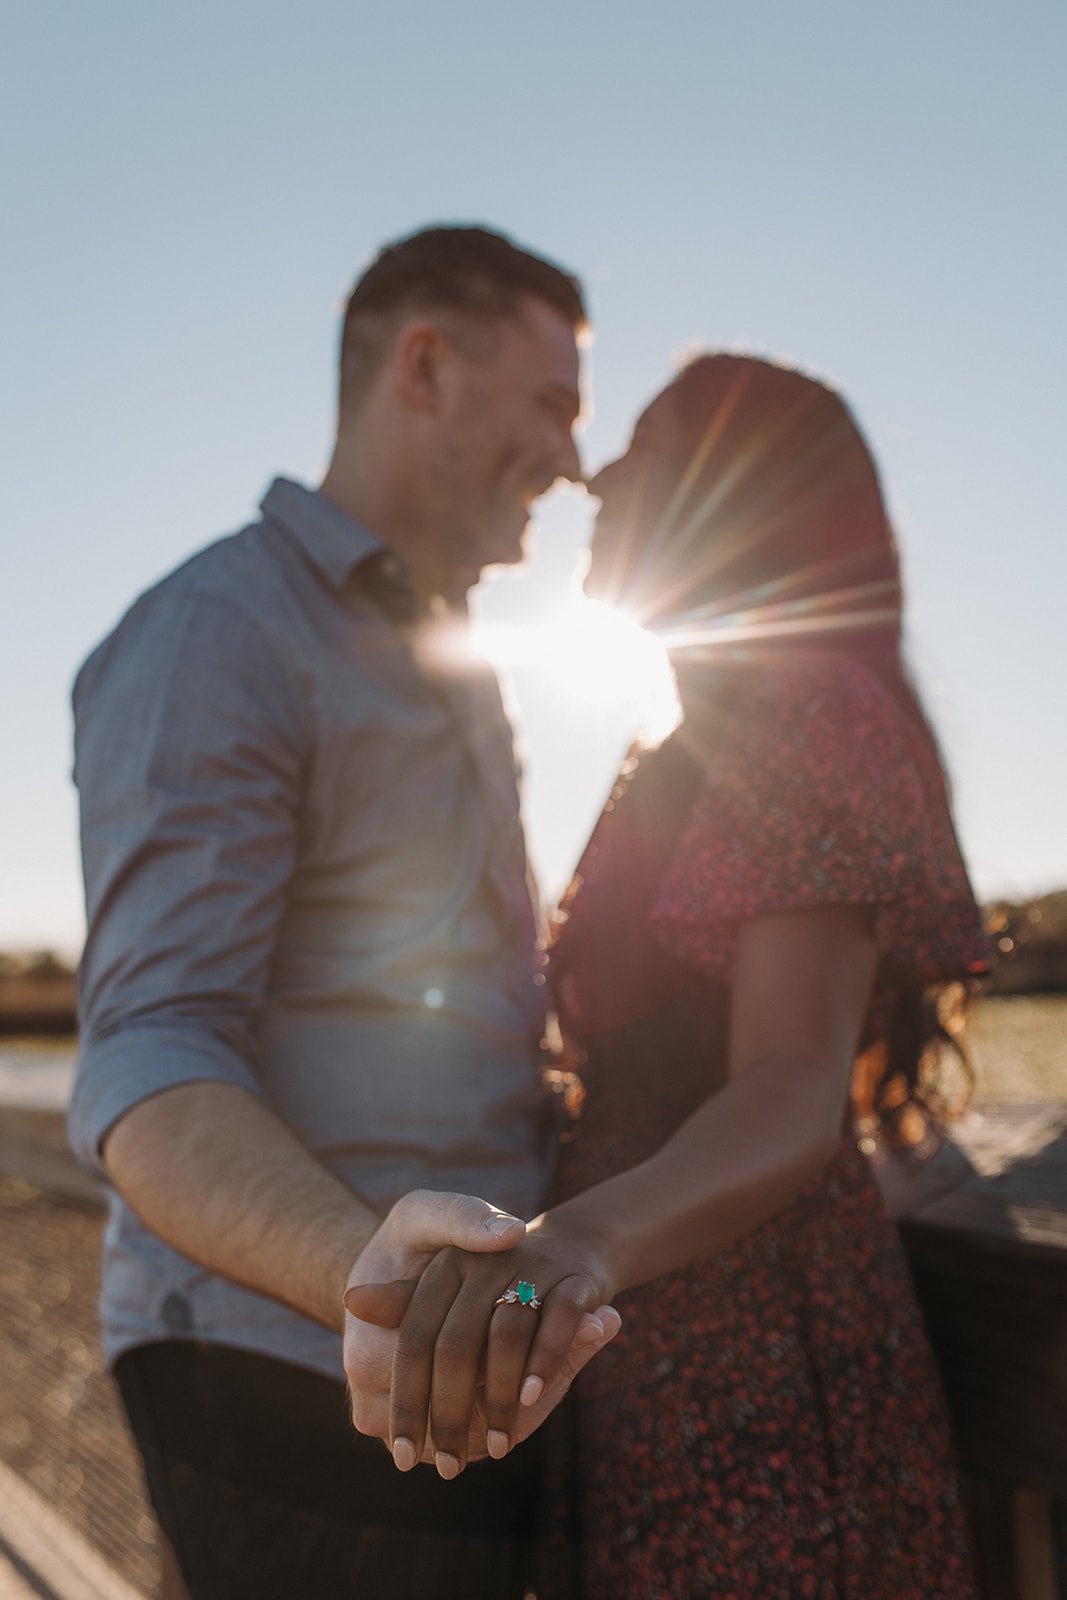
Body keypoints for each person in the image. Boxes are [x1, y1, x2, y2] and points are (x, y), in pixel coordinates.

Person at [348, 354, 990, 1597]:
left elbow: (793, 1084)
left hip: (759, 1355)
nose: (599, 471)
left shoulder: (814, 710)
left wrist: (570, 1242)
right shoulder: (686, 742)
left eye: (644, 445)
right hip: (651, 1334)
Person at [68, 224, 621, 1600]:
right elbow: (149, 1052)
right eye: (552, 401)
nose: (572, 459)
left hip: (463, 1351)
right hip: (284, 1363)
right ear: (422, 366)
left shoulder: (470, 672)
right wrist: (361, 1278)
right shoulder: (221, 631)